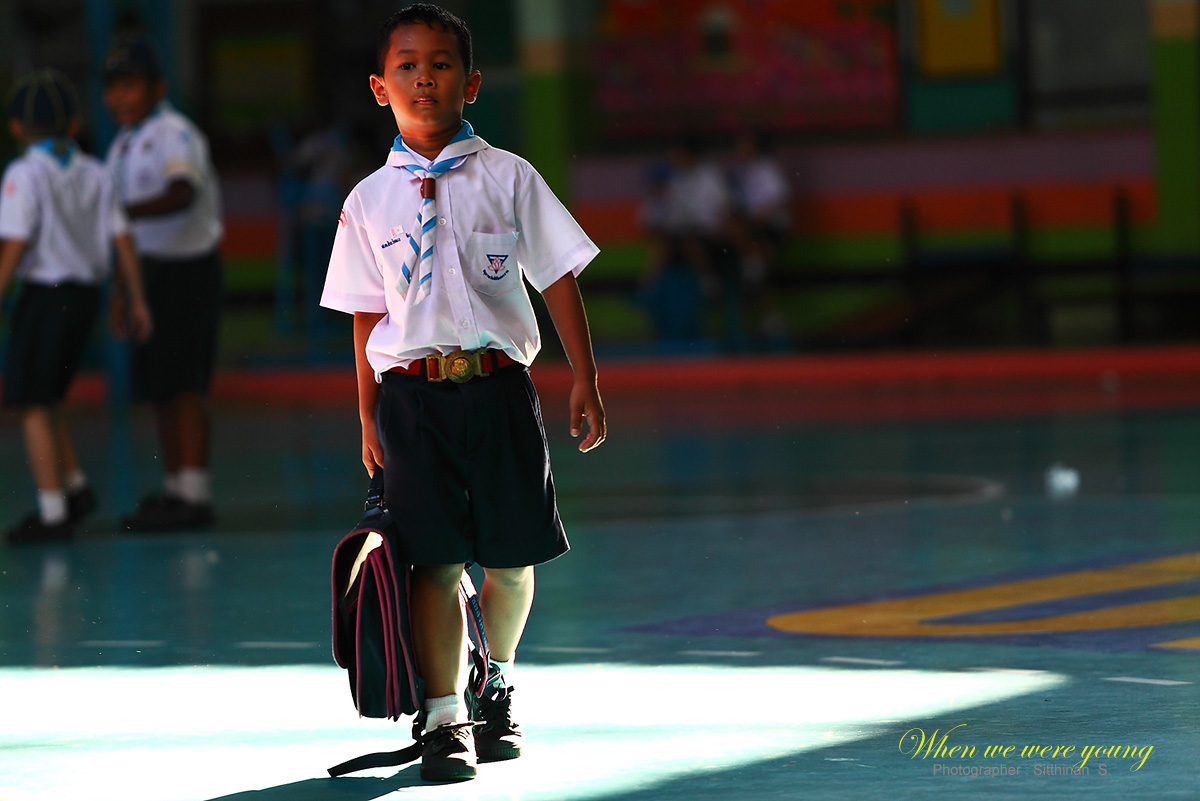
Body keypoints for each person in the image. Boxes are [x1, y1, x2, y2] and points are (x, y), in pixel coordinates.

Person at [320, 4, 606, 783]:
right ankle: (446, 715)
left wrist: (584, 375)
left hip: (500, 390)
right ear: (380, 87)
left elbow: (557, 275)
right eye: (407, 66)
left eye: (441, 64)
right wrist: (366, 414)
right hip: (412, 402)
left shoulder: (509, 176)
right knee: (435, 561)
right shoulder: (367, 201)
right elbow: (366, 314)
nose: (424, 77)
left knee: (512, 560)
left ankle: (497, 680)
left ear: (471, 83)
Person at [0, 69, 152, 545]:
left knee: (30, 402)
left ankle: (53, 512)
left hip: (44, 296)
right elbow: (122, 239)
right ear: (72, 124)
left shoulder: (24, 173)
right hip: (85, 297)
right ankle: (75, 486)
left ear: (16, 127)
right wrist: (136, 298)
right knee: (47, 396)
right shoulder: (95, 171)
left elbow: (16, 243)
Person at [101, 36, 225, 532]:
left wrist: (124, 211)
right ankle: (175, 489)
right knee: (161, 385)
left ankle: (195, 493)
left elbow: (182, 192)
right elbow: (123, 234)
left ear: (159, 88)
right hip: (147, 274)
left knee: (186, 385)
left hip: (187, 270)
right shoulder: (122, 145)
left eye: (130, 86)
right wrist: (123, 290)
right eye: (112, 88)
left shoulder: (174, 133)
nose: (119, 98)